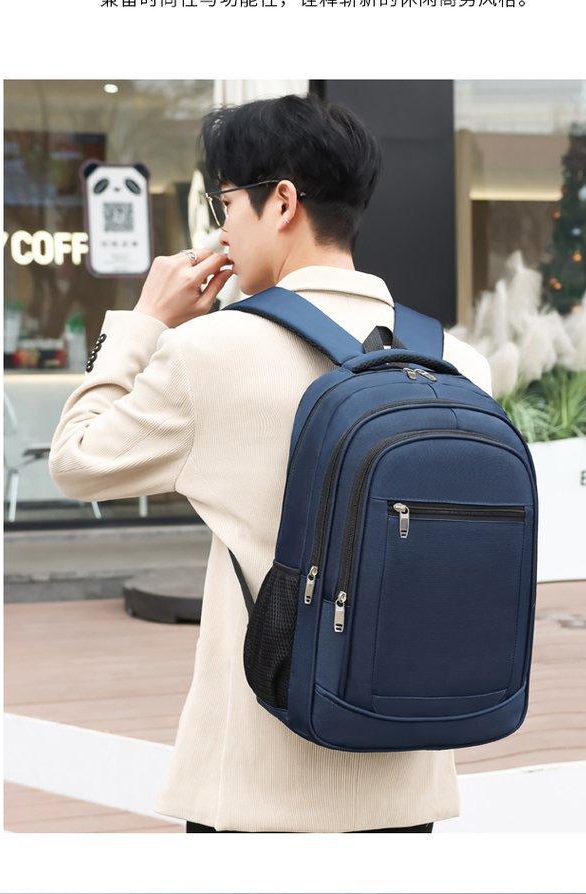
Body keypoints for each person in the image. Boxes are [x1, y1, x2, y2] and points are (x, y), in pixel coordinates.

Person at [48, 92, 493, 833]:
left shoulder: (208, 352)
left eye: (224, 203)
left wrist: (142, 323)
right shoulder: (458, 362)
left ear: (281, 202)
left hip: (260, 792)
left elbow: (75, 461)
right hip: (407, 777)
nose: (220, 229)